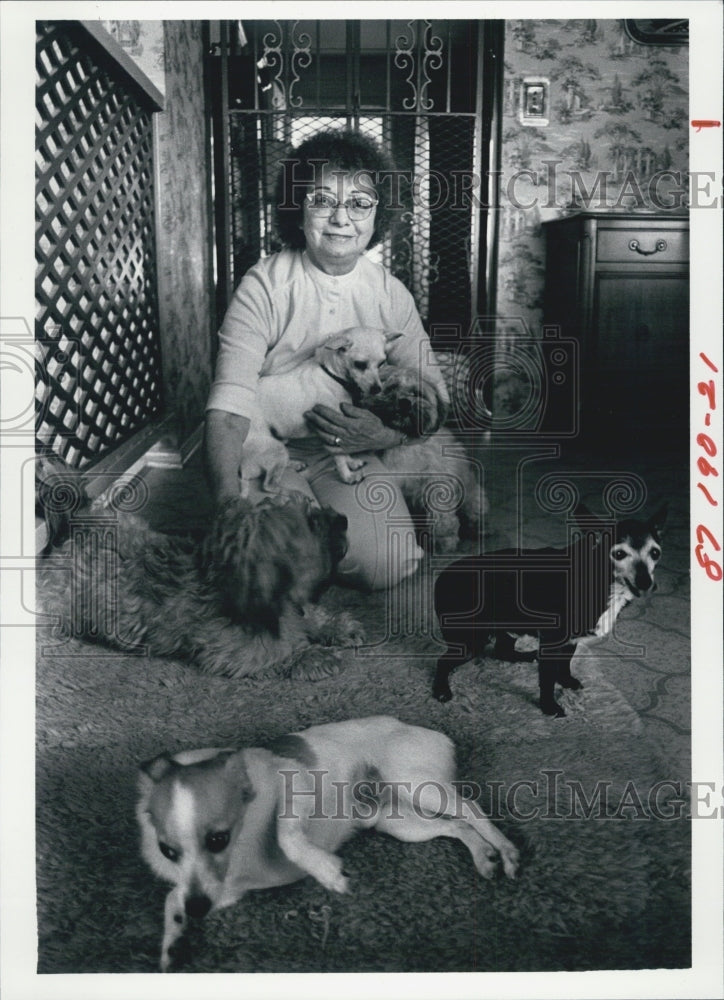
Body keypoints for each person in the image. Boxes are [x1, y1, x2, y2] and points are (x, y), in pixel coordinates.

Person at [204, 129, 448, 590]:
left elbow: (435, 397)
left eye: (359, 204)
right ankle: (296, 540)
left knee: (389, 563)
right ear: (298, 210)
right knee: (271, 556)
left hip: (347, 451)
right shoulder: (265, 284)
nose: (340, 219)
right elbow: (230, 404)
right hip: (262, 444)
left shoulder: (390, 294)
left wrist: (386, 432)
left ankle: (322, 545)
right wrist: (226, 504)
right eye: (321, 200)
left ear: (379, 216)